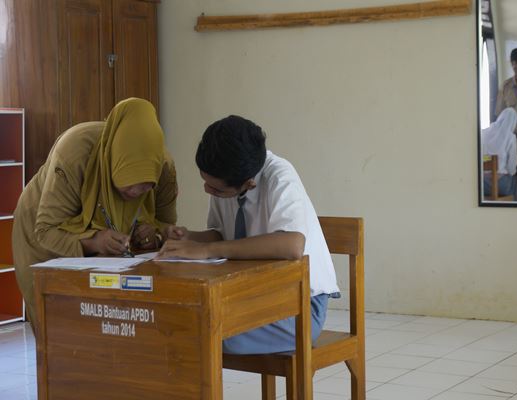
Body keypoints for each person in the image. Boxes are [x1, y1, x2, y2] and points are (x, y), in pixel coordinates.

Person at [157, 115, 339, 355]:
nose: (207, 190)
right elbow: (221, 236)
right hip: (254, 295)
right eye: (205, 181)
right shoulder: (225, 171)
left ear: (249, 184)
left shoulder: (280, 176)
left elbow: (291, 244)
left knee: (209, 333)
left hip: (300, 306)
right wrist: (189, 238)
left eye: (215, 189)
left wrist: (207, 250)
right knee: (178, 320)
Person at [12, 98, 178, 333]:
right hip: (44, 233)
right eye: (124, 185)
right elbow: (46, 231)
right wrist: (93, 241)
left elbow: (166, 224)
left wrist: (154, 235)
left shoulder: (164, 169)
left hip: (111, 255)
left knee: (116, 326)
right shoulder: (74, 152)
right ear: (112, 165)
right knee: (59, 328)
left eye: (143, 188)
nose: (132, 193)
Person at [482, 108, 517, 198]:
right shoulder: (510, 137)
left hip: (481, 183)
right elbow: (511, 166)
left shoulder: (484, 132)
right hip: (500, 184)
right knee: (515, 181)